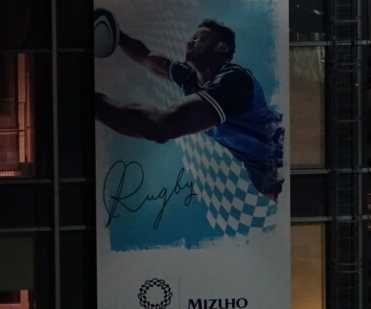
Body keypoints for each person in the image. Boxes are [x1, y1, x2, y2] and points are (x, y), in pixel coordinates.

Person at [95, 17, 285, 200]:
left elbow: (162, 126)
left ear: (222, 46)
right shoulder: (190, 77)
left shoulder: (235, 81)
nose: (190, 42)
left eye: (200, 38)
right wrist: (118, 36)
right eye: (190, 39)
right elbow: (146, 58)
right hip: (260, 174)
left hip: (281, 157)